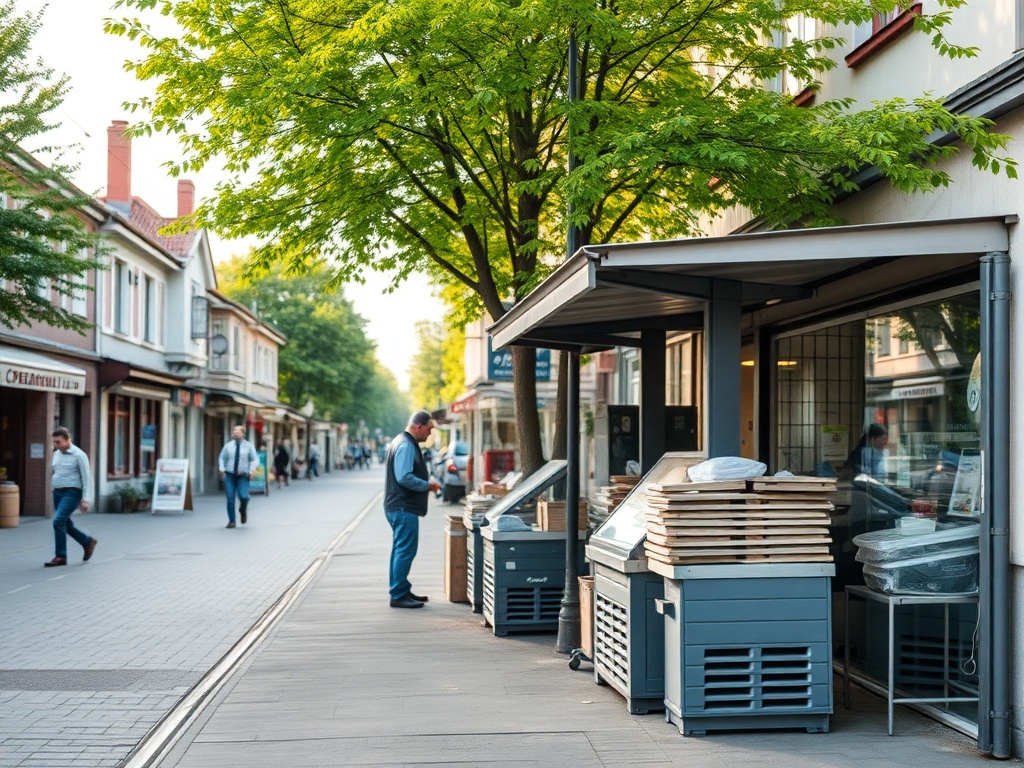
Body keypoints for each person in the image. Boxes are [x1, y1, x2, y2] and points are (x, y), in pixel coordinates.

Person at [383, 411, 441, 608]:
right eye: (429, 429)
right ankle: (398, 594)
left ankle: (400, 589)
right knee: (405, 551)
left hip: (398, 506)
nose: (430, 434)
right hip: (402, 507)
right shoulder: (406, 445)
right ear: (418, 425)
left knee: (400, 550)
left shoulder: (400, 441)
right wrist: (427, 485)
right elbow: (404, 477)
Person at [45, 427, 97, 567]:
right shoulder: (57, 454)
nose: (56, 445)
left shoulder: (79, 455)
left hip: (72, 492)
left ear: (68, 440)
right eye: (54, 442)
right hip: (58, 492)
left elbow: (86, 478)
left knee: (58, 520)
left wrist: (86, 500)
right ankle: (87, 542)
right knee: (64, 524)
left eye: (59, 442)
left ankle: (61, 556)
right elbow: (56, 473)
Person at [218, 425, 260, 528]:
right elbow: (222, 458)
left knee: (244, 496)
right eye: (234, 430)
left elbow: (254, 459)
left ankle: (242, 509)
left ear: (243, 434)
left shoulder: (249, 446)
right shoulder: (228, 446)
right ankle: (232, 521)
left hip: (243, 476)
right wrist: (221, 468)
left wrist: (252, 470)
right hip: (230, 475)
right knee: (230, 498)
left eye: (238, 431)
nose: (236, 432)